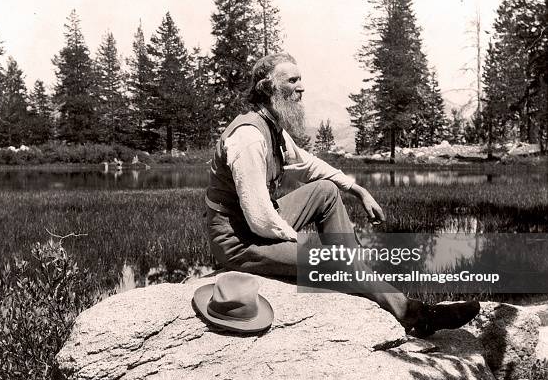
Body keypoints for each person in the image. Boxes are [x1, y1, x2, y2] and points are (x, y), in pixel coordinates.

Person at [205, 52, 479, 337]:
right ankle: (414, 314)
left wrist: (356, 189)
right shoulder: (249, 136)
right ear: (267, 88)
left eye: (301, 80)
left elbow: (307, 165)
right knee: (333, 258)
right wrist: (310, 247)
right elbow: (260, 219)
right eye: (293, 80)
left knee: (326, 190)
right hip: (238, 240)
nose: (301, 87)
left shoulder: (272, 127)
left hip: (257, 225)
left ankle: (355, 269)